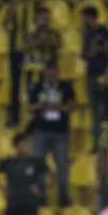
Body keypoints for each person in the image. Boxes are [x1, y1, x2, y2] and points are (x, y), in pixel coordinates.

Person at [0, 132, 49, 215]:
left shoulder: (35, 161)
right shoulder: (8, 162)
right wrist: (2, 188)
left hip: (29, 203)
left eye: (24, 144)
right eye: (20, 145)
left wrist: (43, 190)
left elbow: (52, 174)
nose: (22, 147)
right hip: (13, 203)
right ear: (15, 146)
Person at [28, 62, 75, 207]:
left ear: (57, 72)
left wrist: (58, 107)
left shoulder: (65, 87)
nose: (50, 75)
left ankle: (63, 198)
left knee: (62, 166)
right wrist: (40, 106)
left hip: (60, 132)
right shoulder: (37, 87)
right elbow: (29, 107)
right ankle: (40, 198)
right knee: (39, 166)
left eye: (53, 72)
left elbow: (72, 107)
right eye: (48, 72)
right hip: (41, 131)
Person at [81, 5, 108, 144]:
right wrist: (89, 53)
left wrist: (99, 49)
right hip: (91, 74)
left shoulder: (104, 31)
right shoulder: (86, 34)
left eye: (85, 18)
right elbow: (83, 54)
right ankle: (97, 143)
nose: (83, 21)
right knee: (95, 112)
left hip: (104, 73)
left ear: (91, 17)